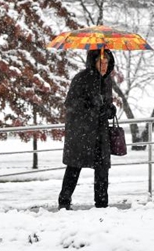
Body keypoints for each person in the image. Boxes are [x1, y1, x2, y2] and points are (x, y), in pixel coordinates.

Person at [58, 48, 117, 210]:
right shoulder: (81, 78)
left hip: (100, 133)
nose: (104, 66)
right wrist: (91, 105)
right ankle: (64, 202)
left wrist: (109, 110)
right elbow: (71, 104)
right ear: (93, 62)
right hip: (81, 132)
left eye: (106, 63)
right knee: (74, 167)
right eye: (101, 63)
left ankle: (102, 203)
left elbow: (106, 105)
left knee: (102, 169)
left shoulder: (107, 81)